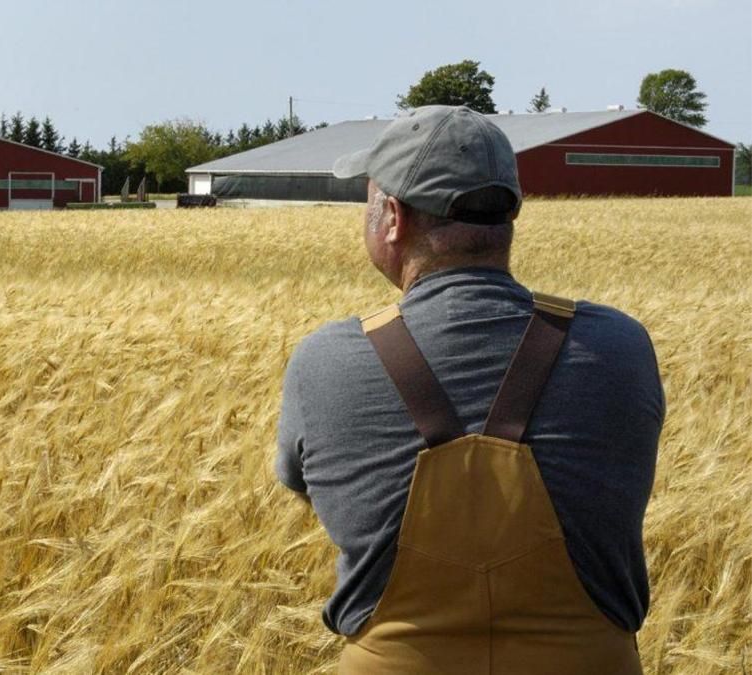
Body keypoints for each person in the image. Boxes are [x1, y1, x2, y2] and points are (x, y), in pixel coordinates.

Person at [275, 105, 663, 674]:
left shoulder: (325, 362)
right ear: (508, 214)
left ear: (392, 217)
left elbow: (307, 485)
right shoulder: (622, 347)